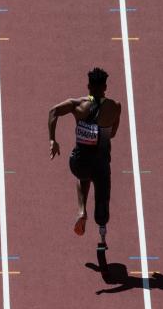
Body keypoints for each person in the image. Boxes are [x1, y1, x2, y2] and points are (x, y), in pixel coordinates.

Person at [48, 67, 121, 248]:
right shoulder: (115, 107)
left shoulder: (77, 104)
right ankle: (102, 236)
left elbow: (53, 112)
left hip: (79, 162)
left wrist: (52, 140)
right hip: (102, 163)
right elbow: (112, 134)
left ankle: (81, 210)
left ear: (88, 86)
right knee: (102, 199)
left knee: (83, 177)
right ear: (105, 86)